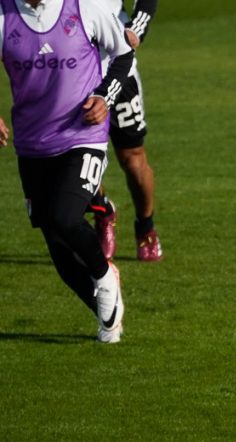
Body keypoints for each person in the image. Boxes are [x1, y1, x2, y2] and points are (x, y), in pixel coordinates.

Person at [0, 0, 135, 343]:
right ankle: (108, 316)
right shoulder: (4, 16)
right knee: (58, 250)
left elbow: (123, 53)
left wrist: (105, 96)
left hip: (82, 136)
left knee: (64, 216)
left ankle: (105, 277)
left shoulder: (84, 8)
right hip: (32, 144)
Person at [90, 0, 162, 262]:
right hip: (71, 74)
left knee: (131, 157)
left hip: (118, 69)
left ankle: (145, 227)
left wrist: (136, 27)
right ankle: (102, 211)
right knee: (74, 154)